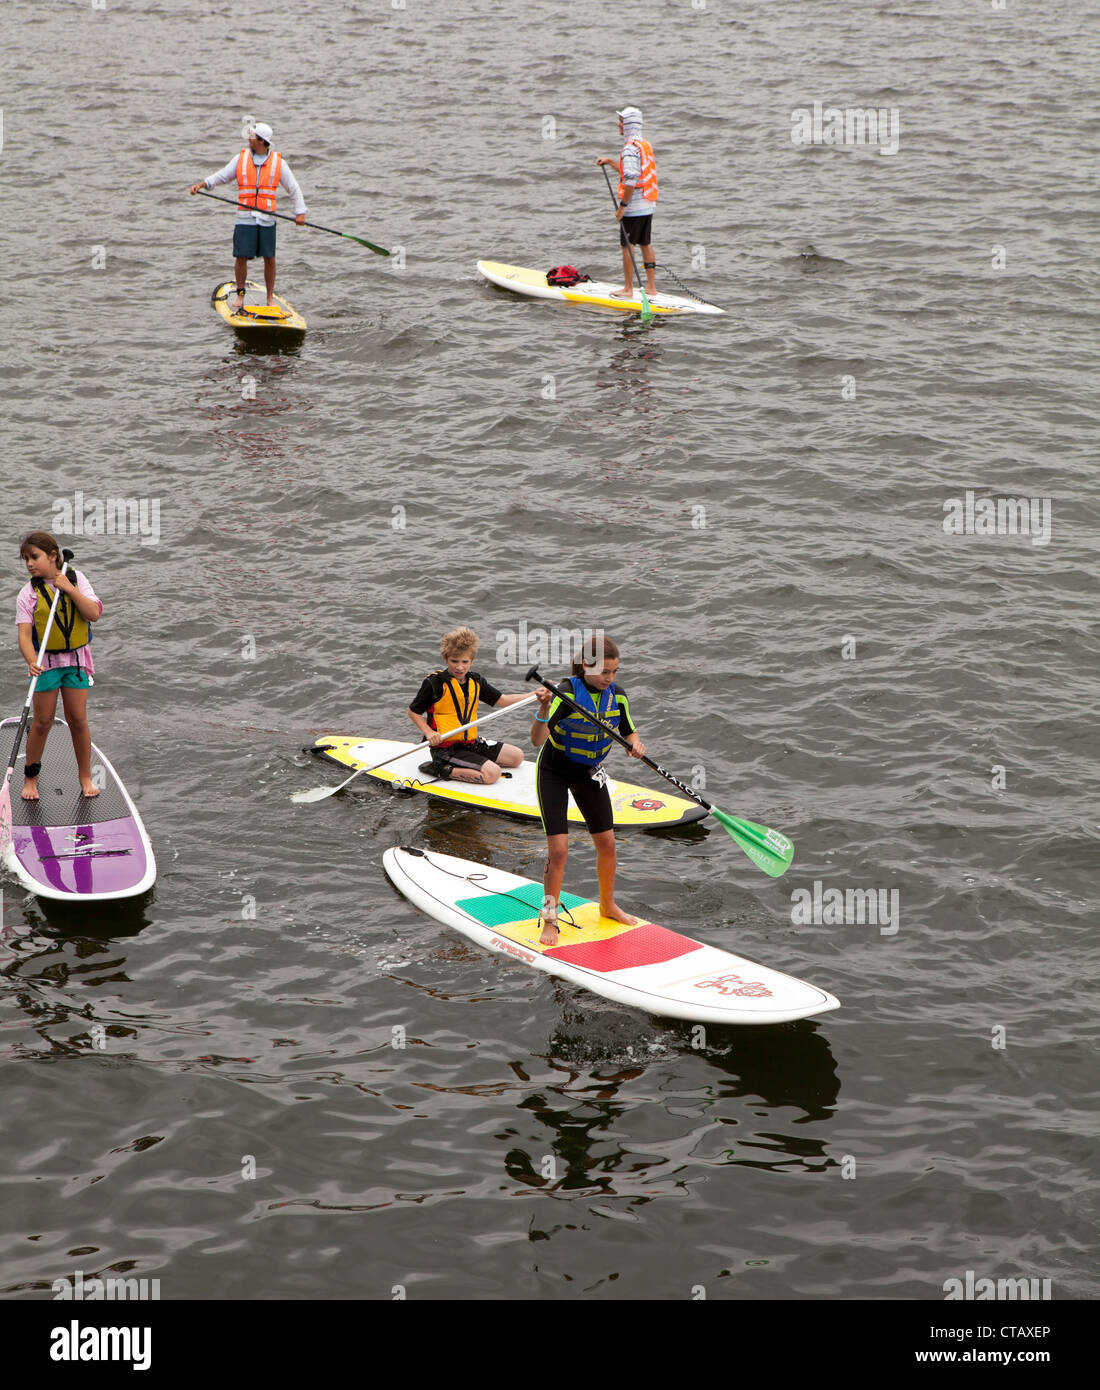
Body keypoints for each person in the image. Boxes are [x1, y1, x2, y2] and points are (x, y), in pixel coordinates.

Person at [530, 635, 646, 944]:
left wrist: (634, 744)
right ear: (586, 666)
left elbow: (629, 730)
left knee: (607, 844)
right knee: (559, 851)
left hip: (588, 773)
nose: (610, 678)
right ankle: (550, 919)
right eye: (605, 672)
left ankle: (607, 904)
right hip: (554, 771)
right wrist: (544, 708)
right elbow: (536, 740)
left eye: (615, 672)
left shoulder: (617, 696)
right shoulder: (566, 694)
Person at [15, 532, 103, 801]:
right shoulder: (28, 594)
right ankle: (31, 778)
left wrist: (70, 589)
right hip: (46, 665)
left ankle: (85, 777)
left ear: (53, 556)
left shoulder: (77, 579)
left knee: (77, 719)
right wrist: (32, 661)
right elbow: (24, 635)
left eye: (35, 557)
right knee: (42, 721)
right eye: (26, 559)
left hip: (75, 663)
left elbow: (94, 614)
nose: (30, 564)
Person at [189, 122, 307, 309]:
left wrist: (300, 212)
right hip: (245, 217)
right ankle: (240, 296)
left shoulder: (278, 162)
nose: (249, 139)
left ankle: (269, 298)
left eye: (252, 137)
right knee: (241, 257)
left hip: (267, 218)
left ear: (261, 141)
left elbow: (294, 188)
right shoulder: (241, 158)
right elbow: (221, 176)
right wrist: (202, 185)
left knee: (270, 258)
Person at [408, 628, 530, 785]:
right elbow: (413, 711)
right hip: (445, 750)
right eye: (454, 661)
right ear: (446, 659)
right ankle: (440, 768)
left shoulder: (476, 681)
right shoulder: (434, 684)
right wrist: (428, 732)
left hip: (470, 744)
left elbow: (504, 700)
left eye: (464, 662)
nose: (459, 667)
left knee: (516, 757)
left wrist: (534, 694)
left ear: (471, 661)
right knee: (492, 774)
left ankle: (475, 762)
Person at [596, 105, 658, 299]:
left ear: (629, 125)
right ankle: (651, 287)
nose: (619, 125)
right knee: (645, 243)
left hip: (634, 207)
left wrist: (622, 207)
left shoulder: (630, 148)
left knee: (628, 246)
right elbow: (632, 172)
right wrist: (611, 162)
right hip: (648, 204)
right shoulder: (644, 145)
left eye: (621, 122)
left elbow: (630, 179)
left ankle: (628, 289)